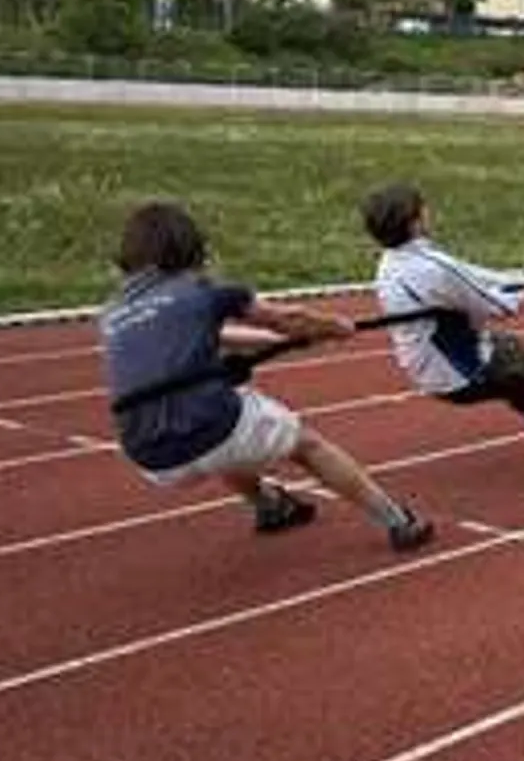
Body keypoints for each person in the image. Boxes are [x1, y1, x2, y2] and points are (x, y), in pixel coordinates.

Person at [99, 201, 433, 552]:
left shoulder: (112, 314)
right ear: (189, 245)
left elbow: (220, 338)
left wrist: (283, 343)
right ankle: (398, 521)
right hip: (211, 425)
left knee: (230, 426)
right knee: (304, 444)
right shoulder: (205, 291)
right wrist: (334, 327)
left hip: (147, 454)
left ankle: (270, 505)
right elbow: (286, 317)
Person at [362, 183, 524, 468]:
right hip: (462, 373)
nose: (429, 212)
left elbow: (474, 277)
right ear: (415, 223)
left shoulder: (392, 262)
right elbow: (497, 306)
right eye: (423, 209)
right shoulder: (433, 267)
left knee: (512, 349)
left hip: (424, 366)